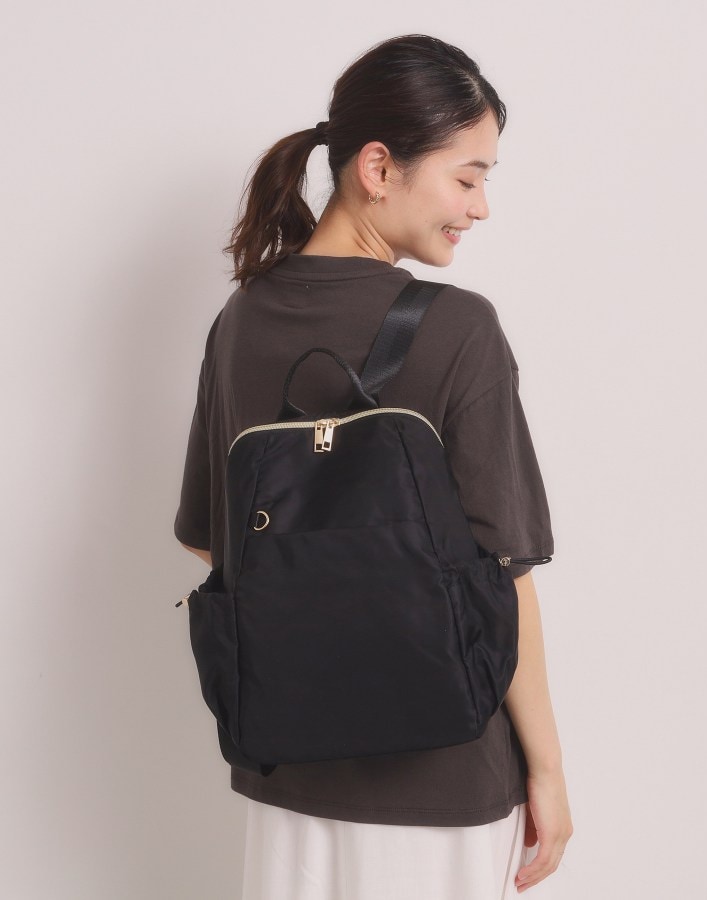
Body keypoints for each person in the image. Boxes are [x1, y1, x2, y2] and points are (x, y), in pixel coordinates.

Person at [174, 33, 573, 899]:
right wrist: (547, 770)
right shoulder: (459, 328)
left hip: (287, 775)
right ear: (379, 167)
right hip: (445, 783)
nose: (480, 207)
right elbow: (505, 574)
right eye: (468, 178)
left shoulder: (241, 321)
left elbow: (212, 540)